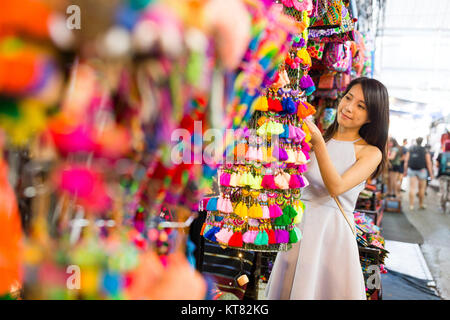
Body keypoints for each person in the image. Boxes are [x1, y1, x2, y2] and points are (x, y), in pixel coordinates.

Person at [265, 77, 389, 300]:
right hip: (298, 227)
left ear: (372, 116)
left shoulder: (370, 152)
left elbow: (336, 187)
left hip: (331, 233)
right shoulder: (316, 138)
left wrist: (319, 144)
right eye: (348, 98)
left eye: (361, 106)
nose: (349, 108)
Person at [403, 137, 434, 210]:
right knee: (422, 188)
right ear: (422, 142)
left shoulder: (410, 149)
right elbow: (429, 163)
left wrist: (405, 171)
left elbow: (406, 161)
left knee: (412, 188)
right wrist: (431, 173)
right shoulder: (425, 150)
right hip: (422, 170)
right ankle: (421, 204)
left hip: (412, 169)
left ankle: (411, 205)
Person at [436, 140, 450, 209]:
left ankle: (442, 206)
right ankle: (448, 199)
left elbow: (437, 165)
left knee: (442, 190)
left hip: (443, 175)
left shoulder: (441, 154)